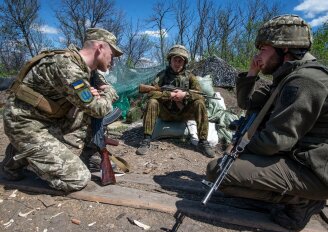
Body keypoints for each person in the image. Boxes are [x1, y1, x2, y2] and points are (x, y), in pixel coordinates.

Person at [206, 15, 328, 231]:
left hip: (318, 172)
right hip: (309, 161)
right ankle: (291, 194)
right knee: (231, 162)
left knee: (218, 171)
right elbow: (248, 102)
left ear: (284, 49)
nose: (258, 55)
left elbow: (273, 141)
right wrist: (251, 73)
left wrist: (240, 147)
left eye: (263, 49)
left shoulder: (304, 81)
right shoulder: (291, 77)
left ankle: (302, 201)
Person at [1, 28, 122, 192]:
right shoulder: (67, 67)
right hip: (25, 123)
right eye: (112, 54)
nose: (112, 60)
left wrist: (98, 91)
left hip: (46, 119)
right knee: (78, 178)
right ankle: (32, 157)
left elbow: (97, 88)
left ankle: (16, 160)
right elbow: (98, 108)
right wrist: (109, 93)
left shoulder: (86, 67)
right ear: (100, 47)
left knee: (87, 116)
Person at [136, 44, 215, 158]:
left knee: (199, 103)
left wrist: (185, 95)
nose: (177, 63)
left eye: (180, 61)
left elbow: (200, 96)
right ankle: (146, 140)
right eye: (175, 60)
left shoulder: (190, 77)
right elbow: (151, 92)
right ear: (170, 60)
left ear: (184, 63)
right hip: (166, 113)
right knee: (152, 102)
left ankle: (203, 142)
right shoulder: (162, 75)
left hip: (184, 114)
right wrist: (170, 94)